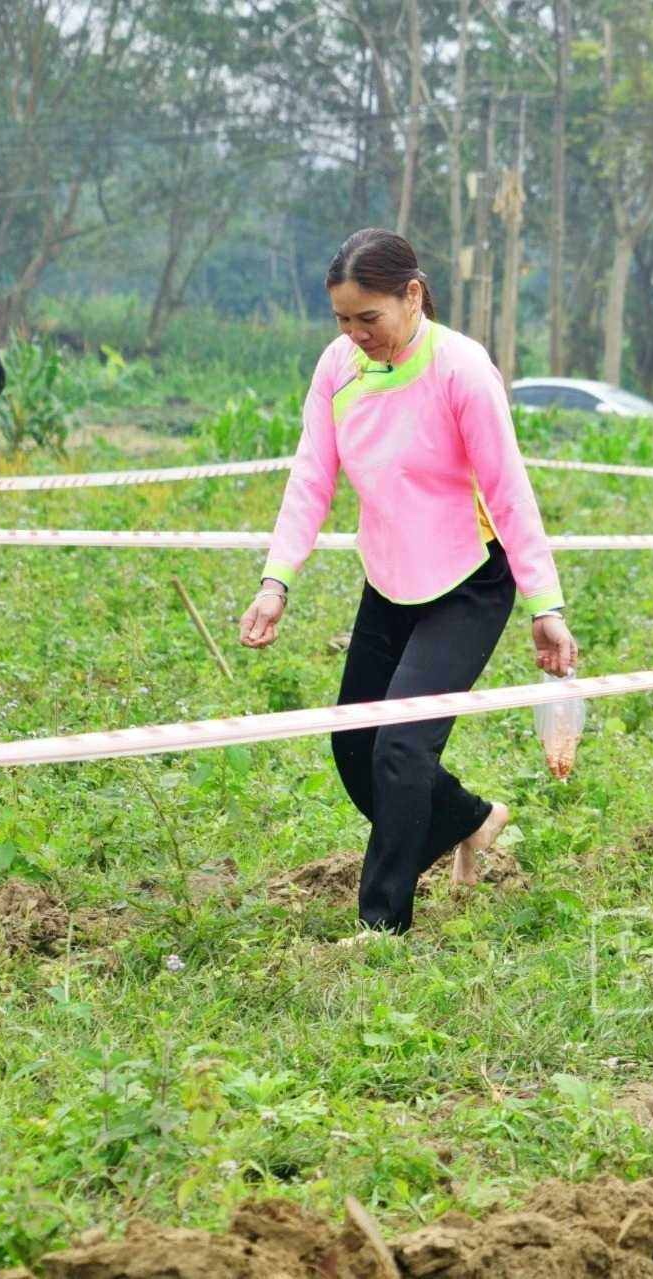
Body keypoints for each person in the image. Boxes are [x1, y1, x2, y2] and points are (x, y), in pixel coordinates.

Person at [238, 228, 578, 937]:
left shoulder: (462, 369)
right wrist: (277, 580)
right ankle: (468, 819)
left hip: (469, 581)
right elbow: (312, 476)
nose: (355, 334)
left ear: (412, 295)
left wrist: (544, 604)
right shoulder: (338, 367)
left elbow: (509, 491)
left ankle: (381, 926)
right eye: (343, 319)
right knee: (353, 745)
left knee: (400, 747)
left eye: (369, 317)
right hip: (389, 578)